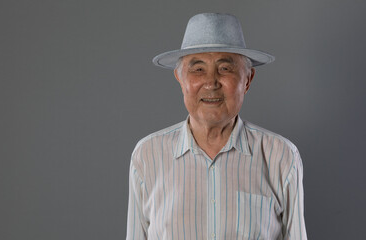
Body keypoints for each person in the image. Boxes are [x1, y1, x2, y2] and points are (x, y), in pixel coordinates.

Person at [126, 13, 307, 240]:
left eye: (225, 68)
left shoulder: (281, 156)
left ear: (248, 79)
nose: (211, 82)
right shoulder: (147, 155)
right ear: (180, 79)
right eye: (198, 69)